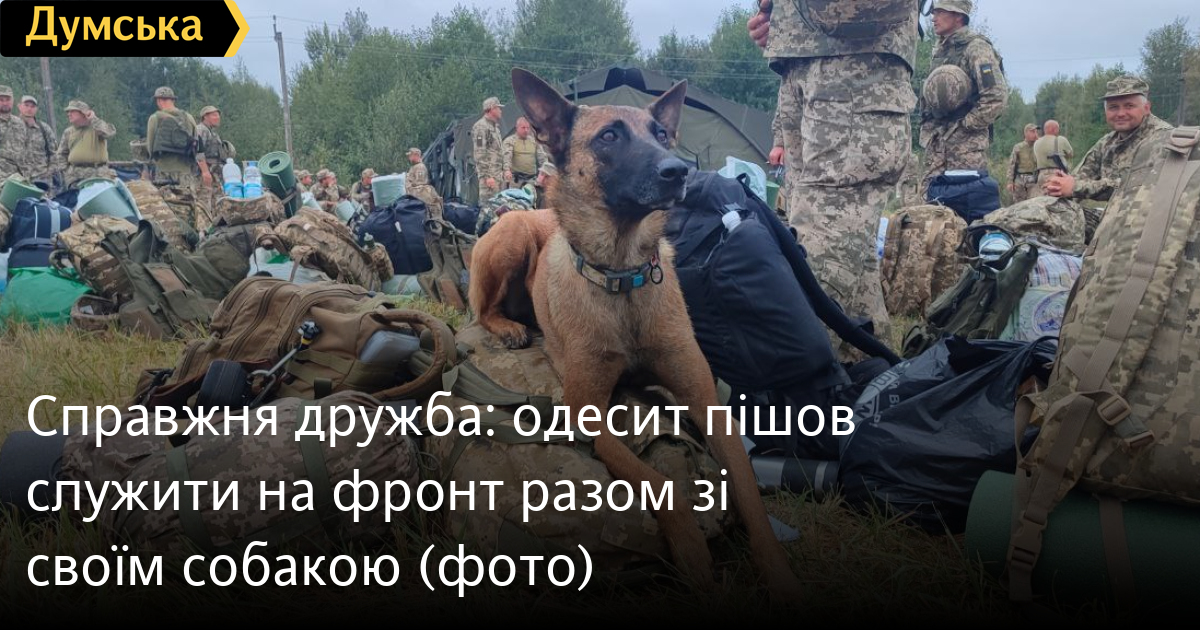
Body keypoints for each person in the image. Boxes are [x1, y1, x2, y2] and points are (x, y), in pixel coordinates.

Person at [748, 0, 919, 355]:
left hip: (856, 74)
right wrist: (779, 15)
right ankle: (871, 379)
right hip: (802, 68)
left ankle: (792, 386)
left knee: (815, 265)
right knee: (847, 269)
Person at [1043, 75, 1174, 240]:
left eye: (1129, 106)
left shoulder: (1162, 139)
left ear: (1146, 107)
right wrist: (1059, 186)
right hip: (1115, 221)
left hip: (1151, 229)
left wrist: (1076, 187)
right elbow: (1080, 176)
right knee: (1041, 214)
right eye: (1113, 107)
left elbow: (1135, 187)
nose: (1121, 113)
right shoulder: (1108, 142)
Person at [919, 0, 1008, 194]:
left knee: (962, 203)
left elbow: (995, 98)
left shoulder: (976, 48)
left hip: (965, 149)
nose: (933, 18)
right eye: (933, 12)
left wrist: (964, 126)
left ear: (958, 16)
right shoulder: (941, 49)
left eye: (940, 12)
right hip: (937, 143)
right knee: (929, 202)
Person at [146, 87, 201, 226]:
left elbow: (150, 147)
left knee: (166, 211)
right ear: (173, 100)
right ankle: (190, 233)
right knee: (188, 206)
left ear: (159, 101)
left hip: (164, 173)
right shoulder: (188, 117)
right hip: (185, 172)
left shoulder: (155, 118)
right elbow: (197, 143)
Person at [54, 100, 117, 190]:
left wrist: (93, 118)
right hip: (75, 178)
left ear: (83, 113)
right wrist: (66, 173)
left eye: (72, 111)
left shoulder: (96, 128)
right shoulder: (68, 132)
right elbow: (61, 154)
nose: (69, 114)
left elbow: (109, 133)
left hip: (98, 175)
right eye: (68, 112)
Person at [195, 105, 235, 231]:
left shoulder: (211, 132)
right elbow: (198, 152)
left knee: (218, 201)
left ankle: (217, 229)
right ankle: (203, 230)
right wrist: (205, 172)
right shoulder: (201, 130)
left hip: (214, 173)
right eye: (214, 115)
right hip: (205, 173)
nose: (218, 118)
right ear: (205, 117)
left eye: (218, 115)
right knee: (204, 201)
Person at [17, 95, 58, 190]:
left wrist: (48, 172)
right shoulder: (12, 127)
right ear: (19, 106)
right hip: (19, 180)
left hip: (42, 180)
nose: (29, 109)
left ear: (36, 109)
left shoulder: (44, 128)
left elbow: (54, 154)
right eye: (26, 105)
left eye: (32, 106)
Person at [472, 96, 505, 202]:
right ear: (491, 109)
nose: (500, 111)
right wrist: (487, 176)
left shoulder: (495, 128)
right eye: (498, 108)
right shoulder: (480, 127)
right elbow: (479, 153)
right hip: (490, 178)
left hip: (498, 177)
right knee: (489, 207)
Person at [502, 117, 550, 189]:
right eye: (523, 128)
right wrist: (507, 170)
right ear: (517, 127)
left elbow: (542, 157)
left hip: (531, 180)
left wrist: (545, 171)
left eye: (528, 128)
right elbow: (507, 156)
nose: (526, 130)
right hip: (515, 179)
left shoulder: (534, 141)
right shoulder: (510, 141)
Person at [1032, 119, 1075, 185]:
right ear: (1054, 129)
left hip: (1041, 176)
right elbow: (1071, 154)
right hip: (1057, 174)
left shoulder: (1036, 143)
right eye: (1058, 128)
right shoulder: (1061, 139)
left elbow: (1035, 159)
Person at [404, 147, 442, 218]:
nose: (409, 157)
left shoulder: (420, 167)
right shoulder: (415, 167)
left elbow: (420, 185)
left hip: (419, 198)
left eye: (410, 155)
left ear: (416, 155)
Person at [0, 85, 26, 183]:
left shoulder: (19, 123)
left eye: (7, 100)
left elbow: (24, 152)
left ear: (13, 101)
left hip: (18, 177)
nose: (5, 103)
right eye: (1, 100)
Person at [1007, 123, 1039, 203]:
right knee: (1019, 203)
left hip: (1034, 179)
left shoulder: (1038, 146)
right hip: (1020, 180)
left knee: (1034, 203)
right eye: (1032, 132)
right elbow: (1011, 164)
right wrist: (1010, 182)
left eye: (1036, 132)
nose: (1035, 134)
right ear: (1026, 133)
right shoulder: (1018, 147)